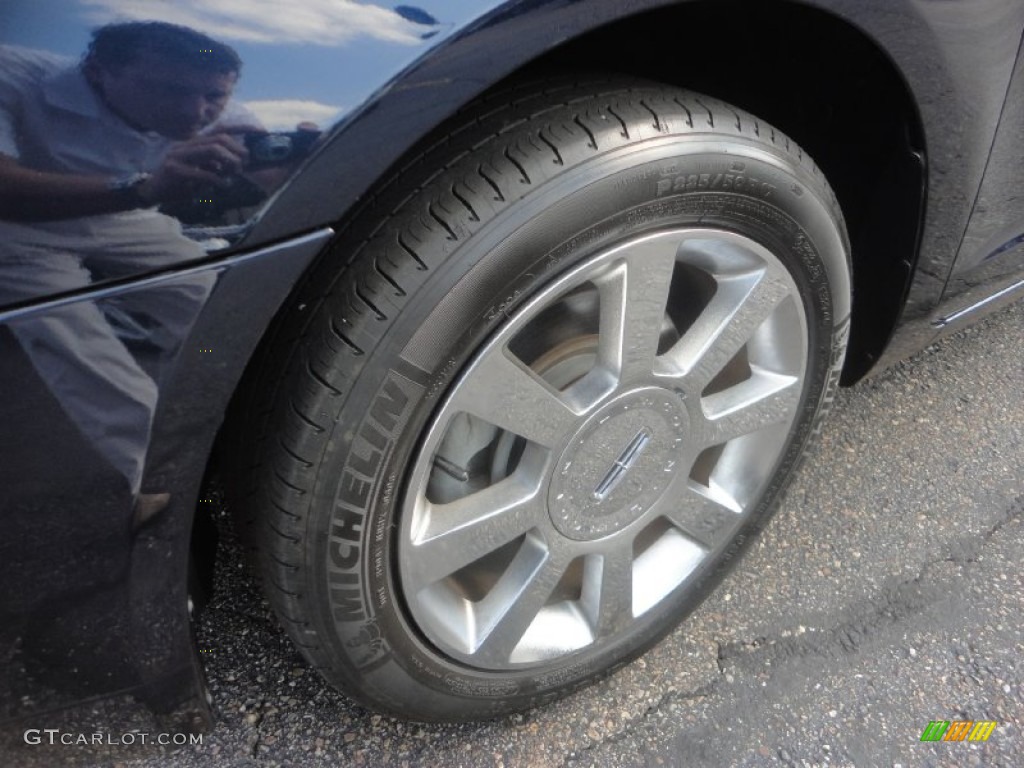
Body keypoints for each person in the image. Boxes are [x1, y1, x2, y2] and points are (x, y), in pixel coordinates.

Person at [0, 22, 259, 516]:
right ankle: (158, 489)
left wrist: (285, 164)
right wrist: (142, 188)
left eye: (212, 96)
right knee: (74, 340)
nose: (194, 112)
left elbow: (234, 188)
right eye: (170, 90)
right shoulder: (13, 74)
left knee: (217, 312)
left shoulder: (227, 119)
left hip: (123, 215)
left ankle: (233, 423)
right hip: (13, 224)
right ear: (98, 73)